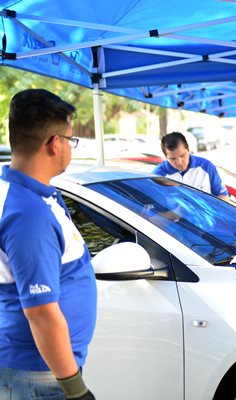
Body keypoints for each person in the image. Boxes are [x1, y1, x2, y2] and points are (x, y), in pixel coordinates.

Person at [0, 89, 96, 399]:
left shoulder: (32, 195)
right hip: (38, 376)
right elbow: (40, 312)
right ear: (54, 144)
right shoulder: (29, 214)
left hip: (38, 371)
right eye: (71, 139)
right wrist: (75, 388)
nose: (71, 147)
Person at [152, 131, 229, 200]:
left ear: (188, 149)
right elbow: (150, 208)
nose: (179, 162)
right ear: (166, 157)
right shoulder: (157, 176)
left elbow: (223, 197)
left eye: (182, 155)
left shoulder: (206, 166)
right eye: (173, 159)